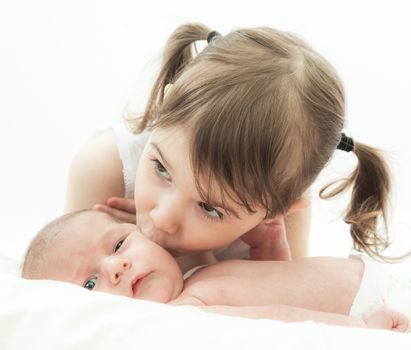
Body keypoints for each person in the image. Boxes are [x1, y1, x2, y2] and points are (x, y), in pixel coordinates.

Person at [64, 23, 392, 270]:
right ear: (166, 105)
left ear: (276, 209)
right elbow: (62, 283)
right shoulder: (106, 165)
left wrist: (198, 261)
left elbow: (267, 314)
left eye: (210, 208)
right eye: (162, 169)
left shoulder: (276, 223)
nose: (163, 217)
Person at [22, 210, 410, 332]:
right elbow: (277, 321)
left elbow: (274, 286)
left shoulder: (196, 277)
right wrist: (358, 331)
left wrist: (269, 246)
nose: (116, 267)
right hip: (370, 308)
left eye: (119, 245)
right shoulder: (186, 313)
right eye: (90, 283)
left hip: (376, 280)